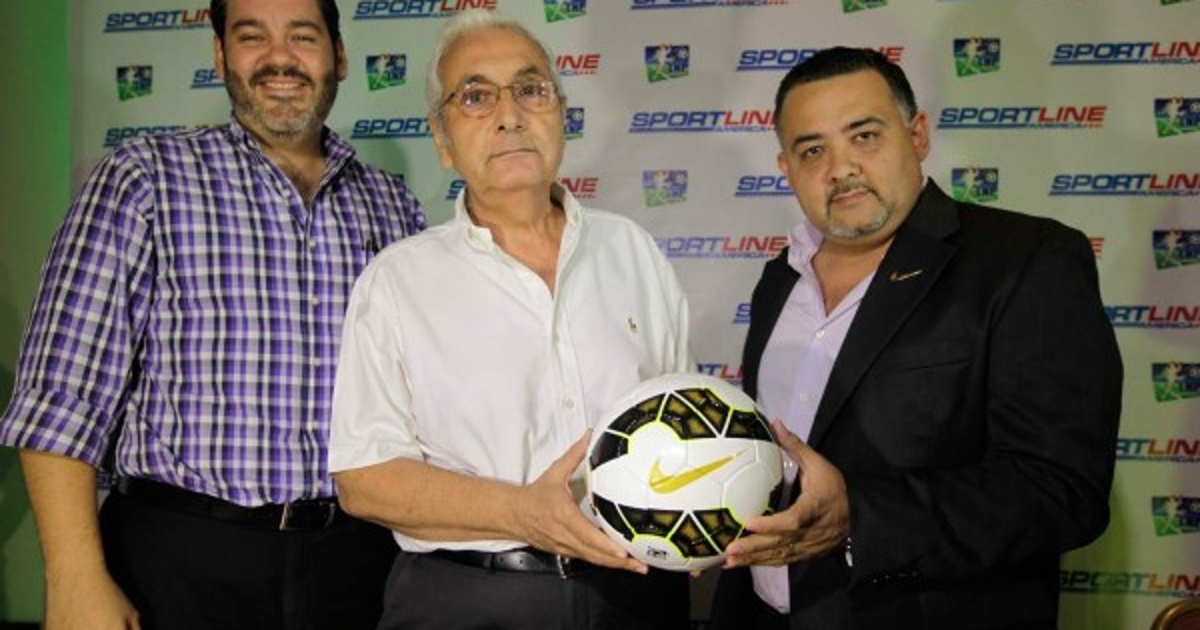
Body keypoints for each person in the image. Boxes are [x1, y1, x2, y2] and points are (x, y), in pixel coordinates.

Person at [0, 0, 426, 628]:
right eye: (252, 37)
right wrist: (73, 578)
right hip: (178, 561)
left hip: (357, 563)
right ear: (221, 55)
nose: (279, 58)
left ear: (338, 56)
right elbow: (61, 398)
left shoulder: (394, 207)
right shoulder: (142, 179)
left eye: (302, 36)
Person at [709, 47, 1122, 629]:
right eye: (813, 150)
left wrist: (858, 517)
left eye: (865, 136)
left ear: (918, 135)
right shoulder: (780, 278)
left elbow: (1062, 489)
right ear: (786, 167)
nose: (841, 168)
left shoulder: (1026, 260)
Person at [328, 10, 692, 630]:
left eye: (530, 89)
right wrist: (520, 512)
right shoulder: (397, 282)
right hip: (469, 599)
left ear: (560, 112)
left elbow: (685, 422)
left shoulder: (632, 250)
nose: (510, 115)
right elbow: (364, 479)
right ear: (442, 139)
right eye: (476, 97)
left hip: (637, 592)